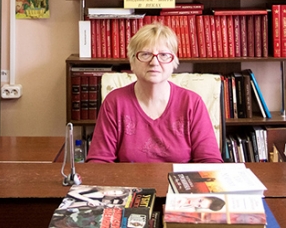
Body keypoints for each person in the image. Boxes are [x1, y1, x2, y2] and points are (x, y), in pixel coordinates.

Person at [87, 23, 222, 163]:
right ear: (132, 61)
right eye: (145, 54)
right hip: (130, 183)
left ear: (174, 62)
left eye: (163, 55)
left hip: (181, 183)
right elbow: (99, 162)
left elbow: (210, 162)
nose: (154, 62)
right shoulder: (114, 102)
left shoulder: (192, 103)